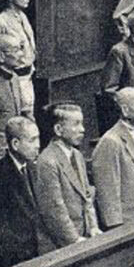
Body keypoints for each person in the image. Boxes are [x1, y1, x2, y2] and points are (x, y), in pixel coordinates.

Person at [0, 116, 42, 267]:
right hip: (14, 262)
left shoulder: (32, 168)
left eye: (38, 139)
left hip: (37, 253)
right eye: (32, 140)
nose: (38, 145)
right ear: (15, 144)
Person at [35, 103, 100, 250]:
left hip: (84, 237)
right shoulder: (47, 161)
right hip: (62, 244)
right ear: (58, 129)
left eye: (82, 123)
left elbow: (87, 196)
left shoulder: (77, 155)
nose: (82, 129)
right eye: (76, 124)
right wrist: (75, 240)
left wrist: (93, 227)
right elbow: (55, 210)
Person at [92, 87, 134, 228]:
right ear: (125, 110)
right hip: (128, 224)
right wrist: (116, 228)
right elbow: (107, 192)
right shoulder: (110, 142)